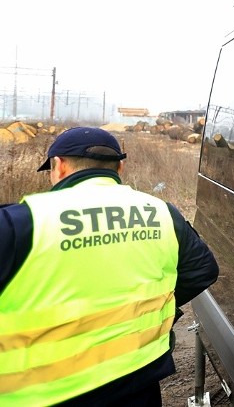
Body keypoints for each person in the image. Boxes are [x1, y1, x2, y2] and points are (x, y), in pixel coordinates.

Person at [0, 127, 219, 406]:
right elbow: (204, 270)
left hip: (41, 393)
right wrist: (154, 309)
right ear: (120, 167)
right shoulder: (162, 212)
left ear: (58, 165)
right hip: (138, 380)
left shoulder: (19, 223)